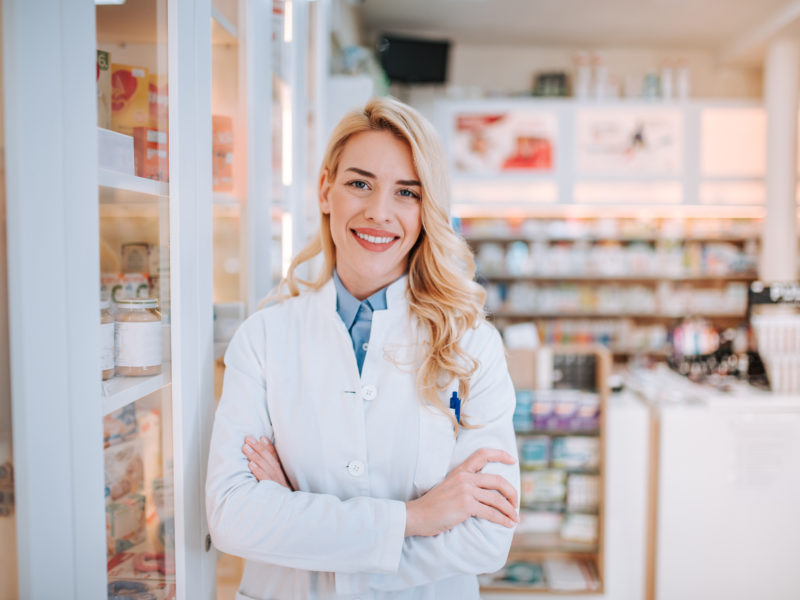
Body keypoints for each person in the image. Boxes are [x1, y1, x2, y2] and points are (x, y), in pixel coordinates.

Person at [205, 97, 520, 600]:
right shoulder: (264, 338)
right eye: (359, 183)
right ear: (326, 189)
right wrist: (416, 517)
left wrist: (298, 515)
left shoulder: (471, 346)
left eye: (407, 193)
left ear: (426, 210)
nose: (379, 212)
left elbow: (486, 538)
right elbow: (232, 517)